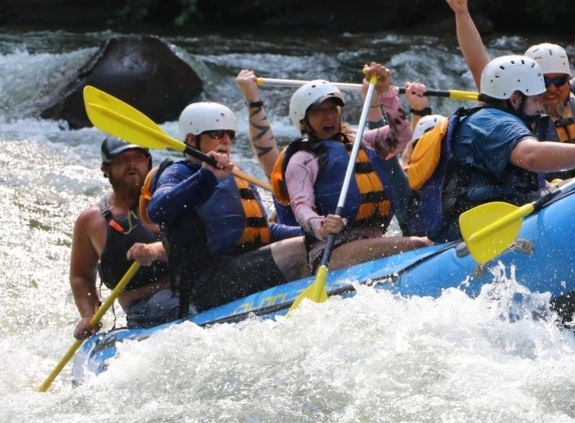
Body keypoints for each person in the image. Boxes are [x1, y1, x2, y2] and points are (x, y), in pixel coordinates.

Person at [430, 55, 575, 242]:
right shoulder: (496, 123)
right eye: (535, 100)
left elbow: (534, 183)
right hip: (480, 233)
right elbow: (531, 156)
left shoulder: (486, 120)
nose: (540, 108)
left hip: (487, 223)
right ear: (514, 99)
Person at [445, 0, 575, 178]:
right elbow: (477, 64)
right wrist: (462, 13)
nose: (552, 89)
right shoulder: (514, 109)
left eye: (559, 81)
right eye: (544, 82)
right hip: (553, 195)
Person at [144, 102, 309, 313]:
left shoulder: (235, 174)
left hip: (245, 265)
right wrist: (207, 176)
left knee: (311, 241)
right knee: (302, 249)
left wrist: (311, 229)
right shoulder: (179, 173)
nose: (226, 141)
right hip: (208, 283)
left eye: (230, 134)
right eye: (216, 134)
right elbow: (157, 210)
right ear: (192, 139)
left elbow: (264, 231)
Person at [273, 64, 432, 271]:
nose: (329, 116)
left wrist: (386, 94)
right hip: (331, 251)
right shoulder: (302, 160)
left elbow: (401, 135)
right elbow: (301, 207)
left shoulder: (361, 142)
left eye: (332, 109)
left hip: (371, 242)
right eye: (319, 111)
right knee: (420, 244)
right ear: (303, 122)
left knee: (422, 242)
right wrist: (321, 224)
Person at [69, 137, 179, 340]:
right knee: (167, 304)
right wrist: (89, 315)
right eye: (122, 159)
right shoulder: (92, 221)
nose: (131, 164)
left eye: (138, 158)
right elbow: (81, 276)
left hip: (193, 289)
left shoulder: (174, 199)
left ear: (148, 162)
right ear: (105, 169)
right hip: (146, 306)